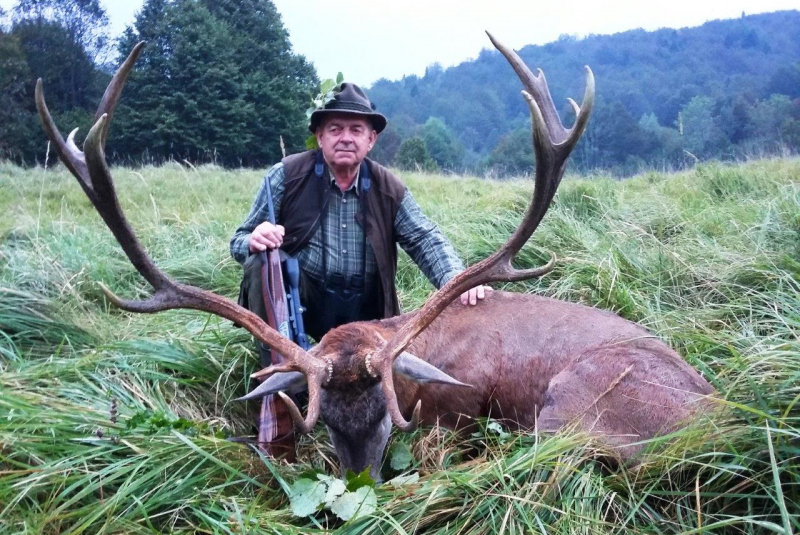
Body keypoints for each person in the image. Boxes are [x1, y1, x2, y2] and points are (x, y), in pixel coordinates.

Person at [230, 83, 489, 353]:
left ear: (371, 140)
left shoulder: (389, 188)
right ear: (319, 136)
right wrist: (253, 240)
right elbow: (238, 241)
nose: (346, 138)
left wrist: (457, 280)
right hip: (304, 304)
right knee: (264, 263)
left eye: (356, 130)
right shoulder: (285, 176)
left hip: (367, 312)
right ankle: (280, 366)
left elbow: (425, 239)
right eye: (335, 129)